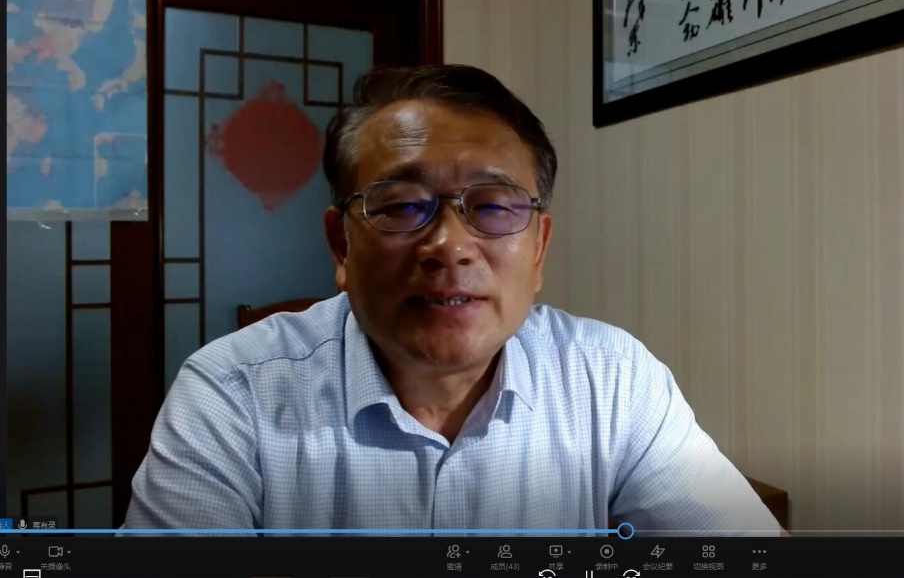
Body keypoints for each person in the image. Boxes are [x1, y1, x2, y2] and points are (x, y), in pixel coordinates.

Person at [122, 65, 784, 536]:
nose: (448, 246)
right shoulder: (231, 394)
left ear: (539, 248)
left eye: (493, 206)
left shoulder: (612, 380)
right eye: (400, 205)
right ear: (341, 246)